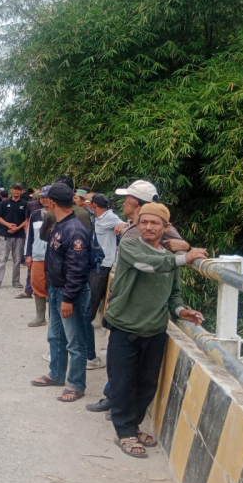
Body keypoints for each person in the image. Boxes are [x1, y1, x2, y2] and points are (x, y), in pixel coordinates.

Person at [105, 203, 206, 458]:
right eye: (144, 222)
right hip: (125, 326)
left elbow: (174, 293)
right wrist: (185, 257)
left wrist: (181, 310)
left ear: (166, 227)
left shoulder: (169, 259)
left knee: (147, 385)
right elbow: (148, 265)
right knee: (123, 382)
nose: (148, 227)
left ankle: (133, 426)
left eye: (154, 223)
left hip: (155, 330)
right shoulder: (131, 247)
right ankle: (125, 432)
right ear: (137, 224)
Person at [30, 183, 91, 402]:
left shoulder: (74, 230)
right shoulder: (60, 225)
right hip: (56, 290)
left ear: (52, 202)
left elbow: (77, 268)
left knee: (75, 341)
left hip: (69, 293)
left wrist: (69, 298)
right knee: (55, 336)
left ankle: (76, 384)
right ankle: (56, 373)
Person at [89, 194, 121, 321]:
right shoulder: (97, 217)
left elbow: (123, 224)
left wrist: (121, 226)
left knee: (94, 295)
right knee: (90, 294)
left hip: (102, 265)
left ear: (94, 205)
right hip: (94, 262)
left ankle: (87, 322)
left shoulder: (110, 217)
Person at [0, 183, 28, 289]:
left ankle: (16, 281)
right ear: (11, 190)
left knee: (17, 259)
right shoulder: (4, 203)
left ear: (22, 191)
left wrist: (18, 228)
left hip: (19, 235)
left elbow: (27, 219)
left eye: (19, 189)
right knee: (2, 258)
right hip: (5, 234)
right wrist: (8, 225)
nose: (16, 191)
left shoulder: (25, 204)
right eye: (15, 189)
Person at [25, 185, 51, 327]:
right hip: (38, 256)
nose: (45, 199)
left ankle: (54, 318)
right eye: (42, 197)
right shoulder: (35, 215)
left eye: (47, 197)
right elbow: (30, 236)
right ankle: (40, 317)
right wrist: (28, 254)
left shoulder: (59, 214)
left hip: (54, 258)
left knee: (54, 287)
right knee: (37, 285)